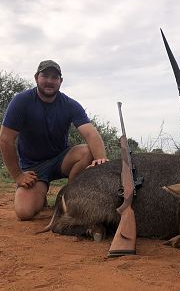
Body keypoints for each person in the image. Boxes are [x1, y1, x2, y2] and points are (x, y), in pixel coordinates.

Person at [0, 60, 109, 221]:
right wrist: (18, 176)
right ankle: (40, 192)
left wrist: (102, 159)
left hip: (61, 160)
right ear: (37, 78)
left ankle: (68, 197)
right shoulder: (21, 101)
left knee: (86, 151)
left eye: (55, 77)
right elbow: (5, 139)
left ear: (60, 81)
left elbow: (91, 134)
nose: (50, 81)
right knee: (24, 213)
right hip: (33, 168)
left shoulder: (70, 104)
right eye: (45, 76)